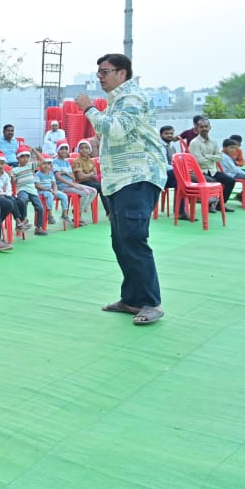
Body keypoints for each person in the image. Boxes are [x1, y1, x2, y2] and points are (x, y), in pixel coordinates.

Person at [77, 53, 167, 325]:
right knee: (121, 241)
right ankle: (131, 299)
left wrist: (89, 109)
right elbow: (115, 134)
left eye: (105, 72)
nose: (100, 77)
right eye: (99, 72)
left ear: (122, 73)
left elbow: (116, 129)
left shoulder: (132, 97)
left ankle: (151, 302)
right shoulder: (117, 101)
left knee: (133, 238)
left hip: (137, 177)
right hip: (118, 180)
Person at [188, 118, 236, 212]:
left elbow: (220, 157)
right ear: (197, 128)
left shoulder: (214, 142)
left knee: (230, 181)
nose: (204, 128)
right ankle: (209, 205)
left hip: (212, 170)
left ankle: (220, 204)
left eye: (206, 126)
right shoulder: (194, 143)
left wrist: (207, 156)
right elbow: (198, 160)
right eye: (201, 127)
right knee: (212, 182)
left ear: (210, 127)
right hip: (200, 172)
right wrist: (212, 158)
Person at [53, 142, 97, 224]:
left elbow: (73, 177)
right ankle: (78, 215)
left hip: (71, 185)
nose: (64, 151)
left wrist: (65, 173)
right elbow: (58, 177)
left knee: (94, 191)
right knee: (86, 193)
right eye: (62, 149)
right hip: (62, 187)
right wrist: (72, 184)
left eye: (66, 149)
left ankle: (77, 211)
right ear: (58, 150)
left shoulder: (66, 162)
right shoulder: (55, 162)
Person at [0, 153, 30, 232]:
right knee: (11, 201)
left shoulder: (5, 175)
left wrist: (7, 195)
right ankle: (18, 222)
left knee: (20, 201)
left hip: (3, 195)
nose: (0, 166)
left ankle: (21, 221)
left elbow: (8, 189)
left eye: (2, 163)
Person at [11, 149, 48, 235]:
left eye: (27, 156)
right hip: (22, 190)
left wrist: (34, 150)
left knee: (40, 207)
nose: (25, 159)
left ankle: (38, 228)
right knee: (23, 200)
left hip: (32, 190)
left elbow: (43, 161)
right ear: (17, 158)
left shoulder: (31, 166)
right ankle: (23, 220)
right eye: (22, 157)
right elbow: (13, 182)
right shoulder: (15, 170)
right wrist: (12, 178)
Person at [72, 140, 109, 215]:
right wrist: (91, 174)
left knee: (104, 187)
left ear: (89, 150)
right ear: (78, 150)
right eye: (81, 148)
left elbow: (95, 176)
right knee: (101, 187)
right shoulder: (77, 161)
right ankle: (109, 211)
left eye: (86, 148)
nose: (84, 150)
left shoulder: (91, 161)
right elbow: (80, 177)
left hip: (90, 182)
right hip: (81, 183)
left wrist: (90, 175)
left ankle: (109, 210)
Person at [34, 159, 66, 225]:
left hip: (51, 190)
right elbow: (37, 185)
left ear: (50, 165)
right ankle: (50, 215)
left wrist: (55, 190)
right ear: (39, 165)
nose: (46, 166)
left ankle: (64, 214)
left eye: (48, 164)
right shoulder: (37, 174)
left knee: (64, 196)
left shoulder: (51, 173)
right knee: (49, 195)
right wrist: (48, 189)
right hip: (41, 191)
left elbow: (54, 184)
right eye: (44, 164)